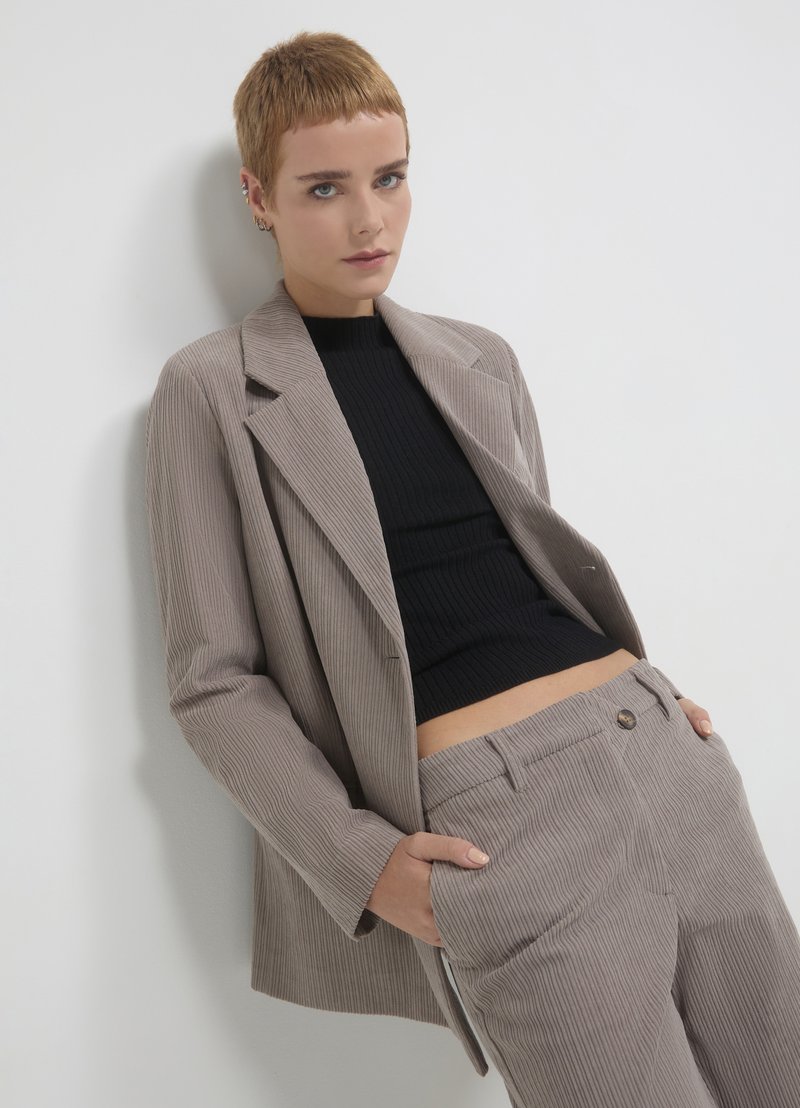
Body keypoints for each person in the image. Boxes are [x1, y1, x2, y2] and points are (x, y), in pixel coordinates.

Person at [144, 29, 800, 1107]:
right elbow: (212, 681)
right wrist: (362, 863)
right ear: (259, 198)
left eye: (390, 177)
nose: (369, 219)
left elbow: (532, 573)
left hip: (663, 759)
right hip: (500, 824)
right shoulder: (213, 390)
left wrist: (651, 686)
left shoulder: (478, 357)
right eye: (324, 189)